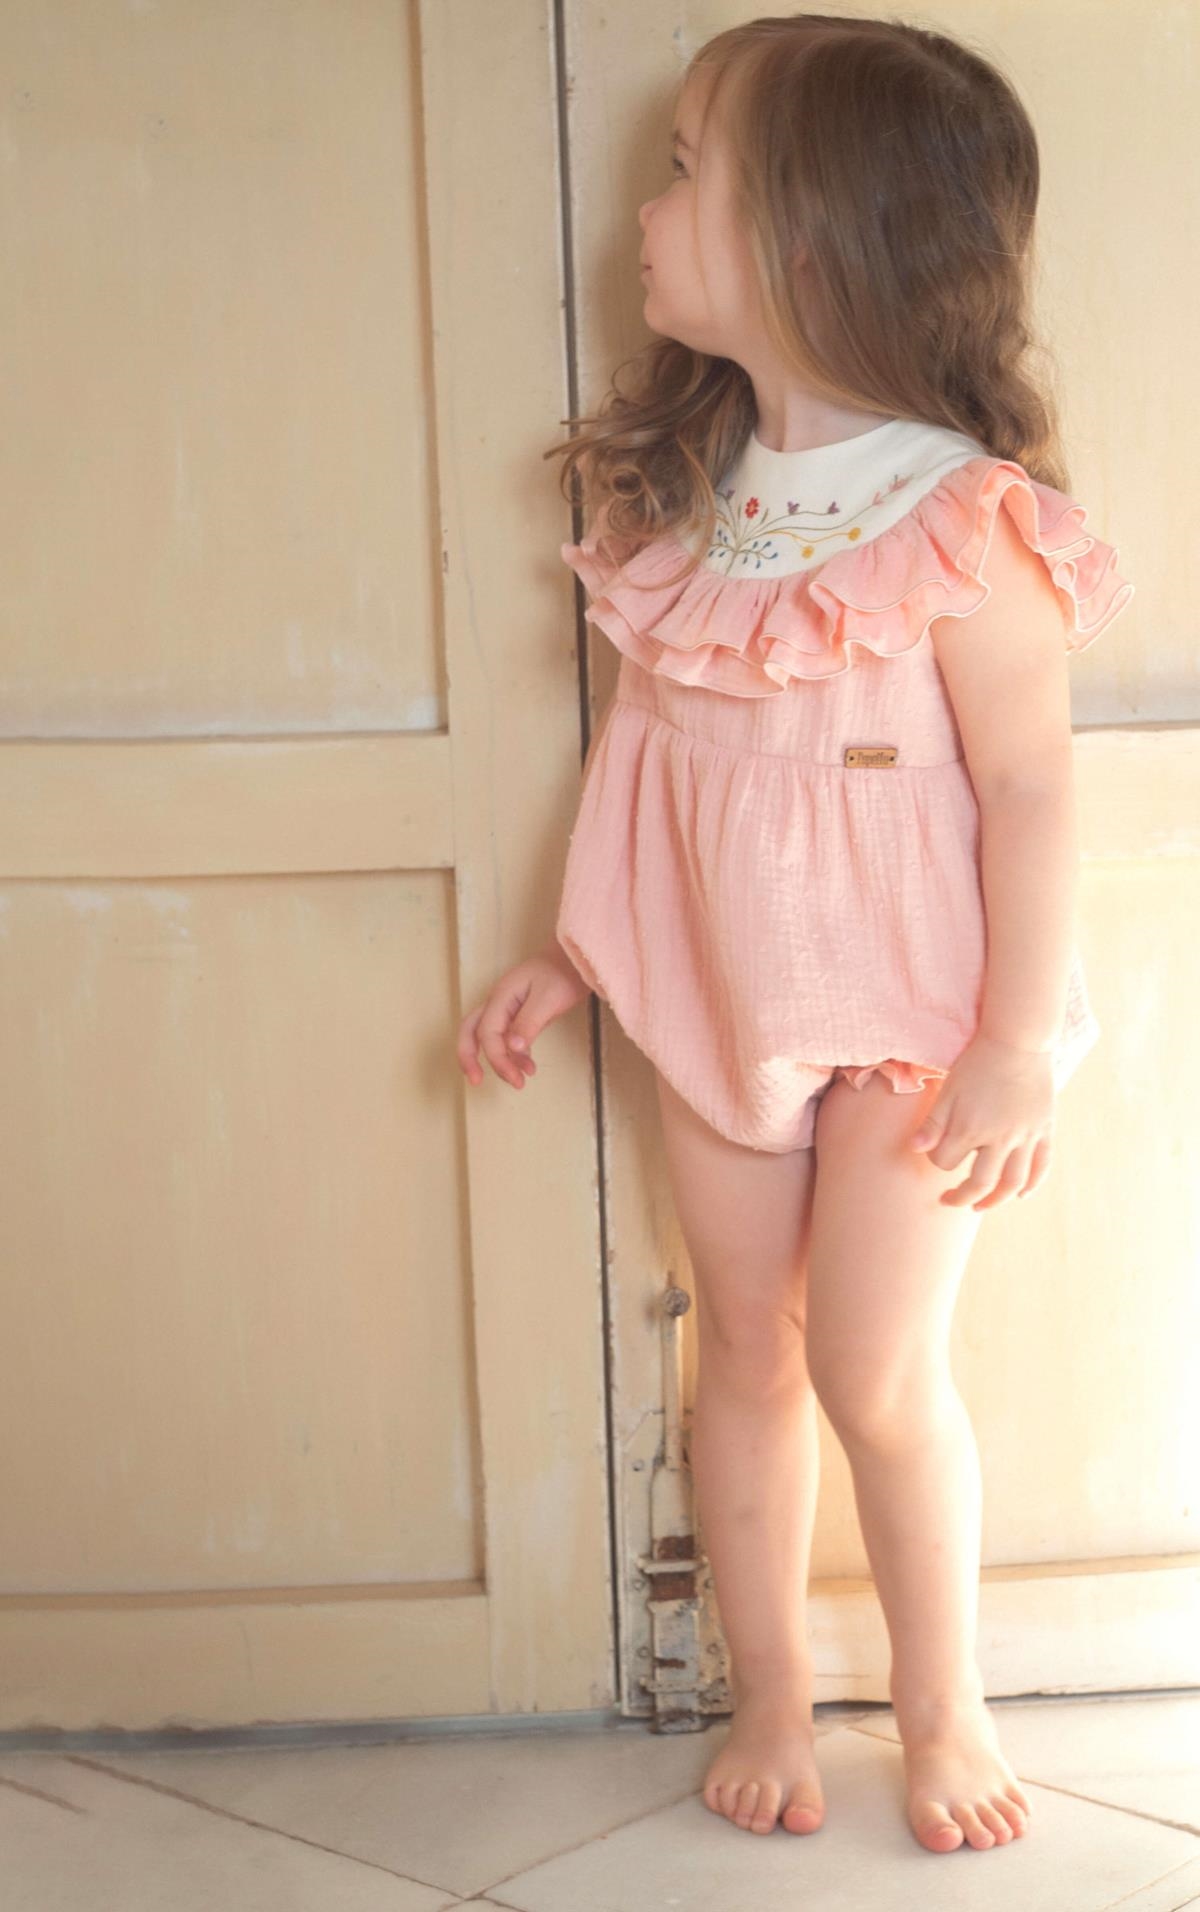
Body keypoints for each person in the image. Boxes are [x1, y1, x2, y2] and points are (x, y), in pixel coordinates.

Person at [455, 12, 1134, 1857]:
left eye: (687, 175)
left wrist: (1012, 1041)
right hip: (720, 995)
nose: (646, 213)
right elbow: (657, 765)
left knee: (872, 1371)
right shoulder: (696, 510)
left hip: (922, 1018)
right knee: (743, 1345)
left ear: (817, 243)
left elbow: (1031, 795)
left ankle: (943, 1706)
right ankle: (767, 1693)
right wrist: (576, 953)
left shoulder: (968, 523)